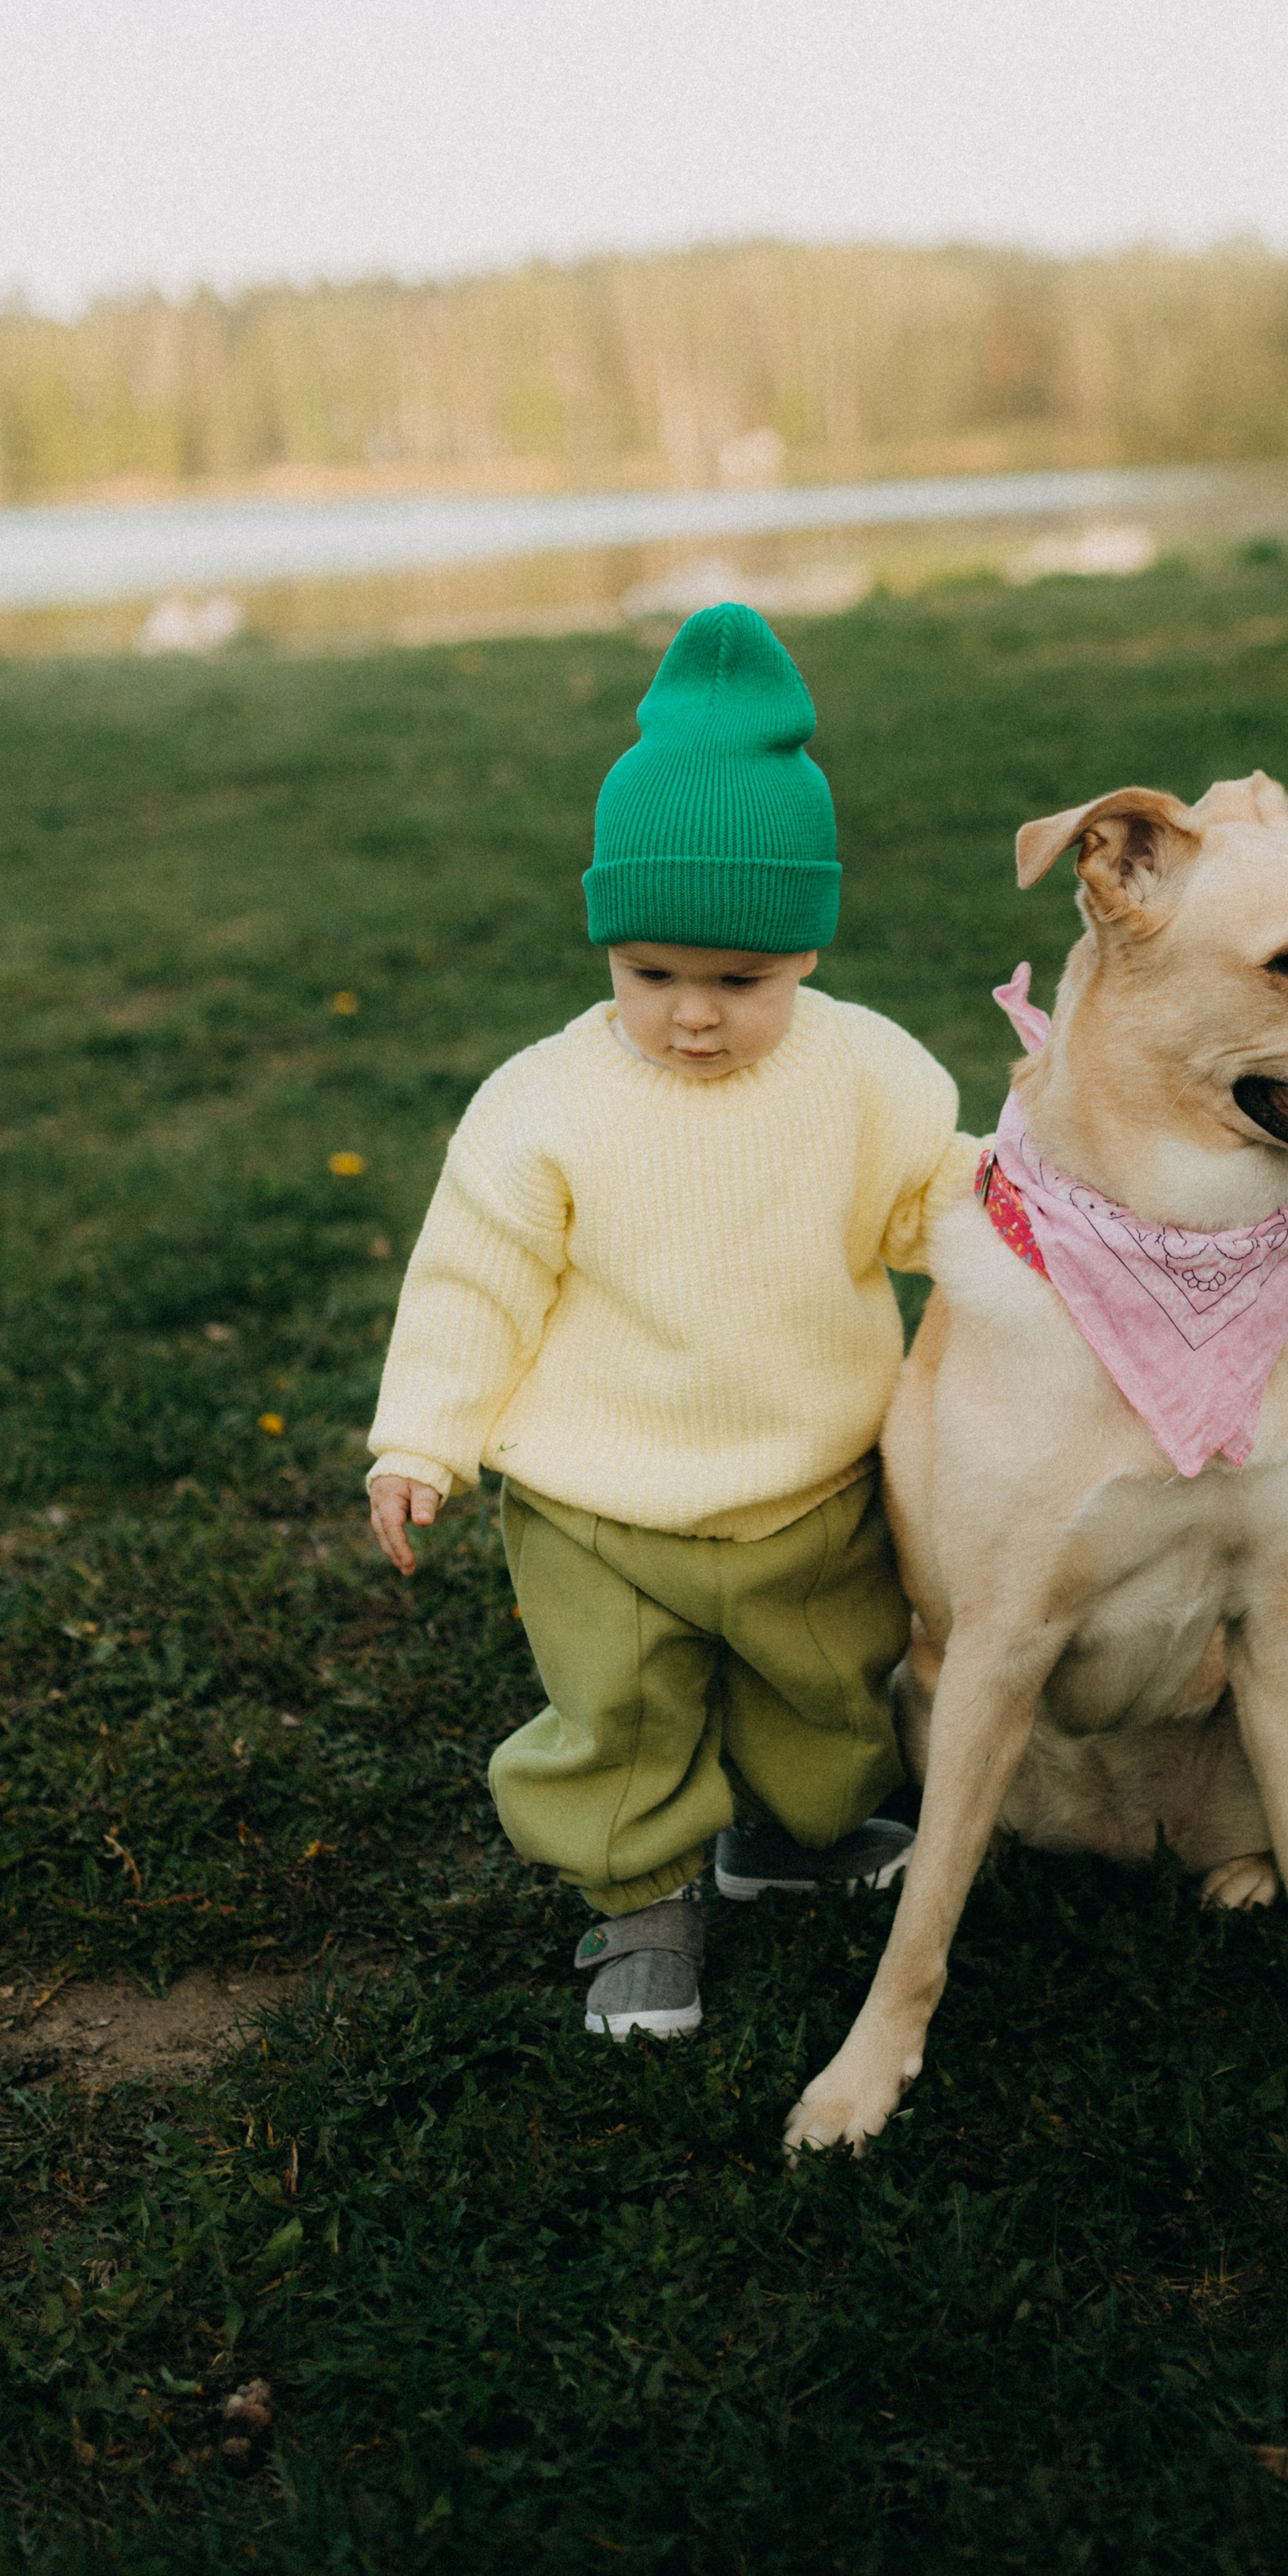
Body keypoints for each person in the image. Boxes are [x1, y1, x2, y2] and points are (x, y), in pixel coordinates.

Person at [366, 603, 971, 2041]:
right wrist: (420, 1442)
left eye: (738, 982)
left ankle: (793, 1836)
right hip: (601, 1506)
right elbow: (471, 1281)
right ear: (608, 948)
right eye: (651, 975)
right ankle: (641, 1905)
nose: (693, 1015)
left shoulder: (869, 1074)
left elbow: (928, 1204)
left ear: (807, 952)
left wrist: (1035, 1211)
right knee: (620, 1715)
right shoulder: (543, 1104)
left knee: (828, 1686)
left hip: (811, 1483)